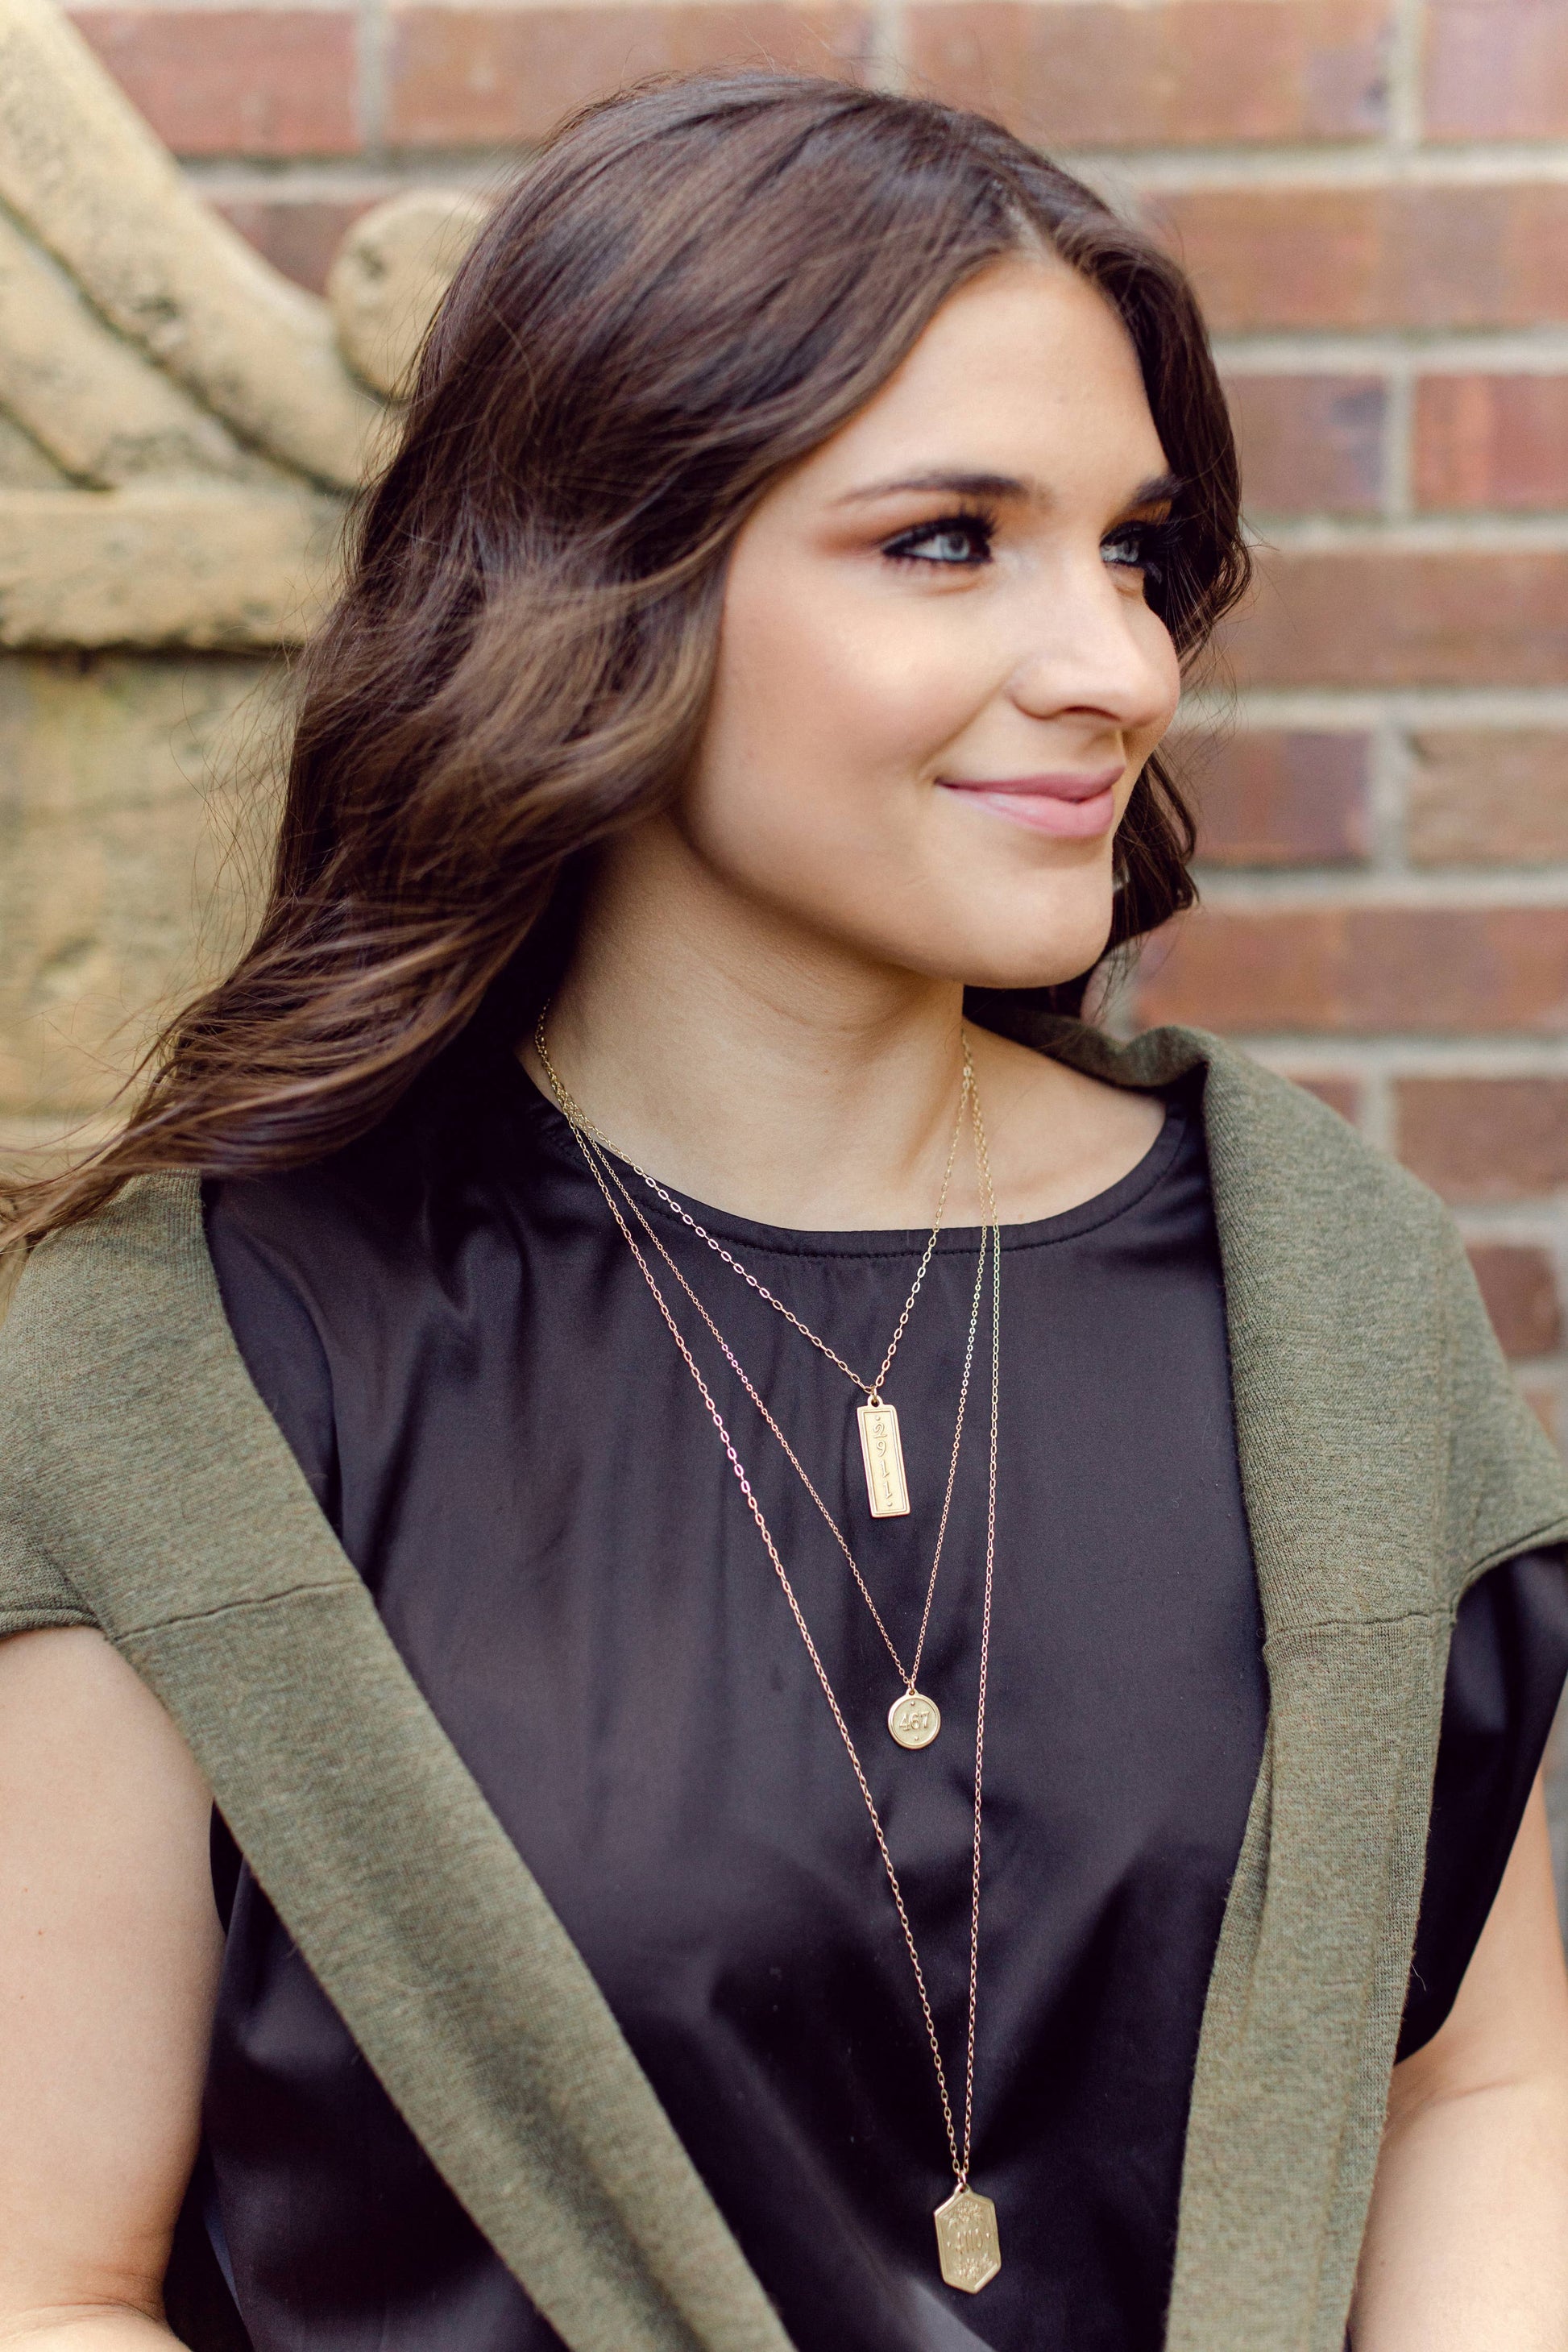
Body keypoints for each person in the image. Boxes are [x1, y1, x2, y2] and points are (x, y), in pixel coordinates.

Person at [2, 72, 1567, 2352]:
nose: (1118, 662)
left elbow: (1472, 2082)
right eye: (950, 539)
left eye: (1133, 548)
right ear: (594, 582)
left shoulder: (1319, 1295)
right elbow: (46, 2274)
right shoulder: (195, 1366)